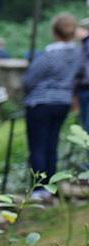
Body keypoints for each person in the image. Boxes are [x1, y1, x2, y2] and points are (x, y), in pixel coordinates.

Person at [24, 13, 82, 199]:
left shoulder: (49, 55)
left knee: (38, 147)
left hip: (41, 103)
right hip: (63, 102)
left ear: (55, 32)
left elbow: (29, 80)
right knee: (52, 144)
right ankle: (50, 186)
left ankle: (38, 189)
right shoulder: (77, 53)